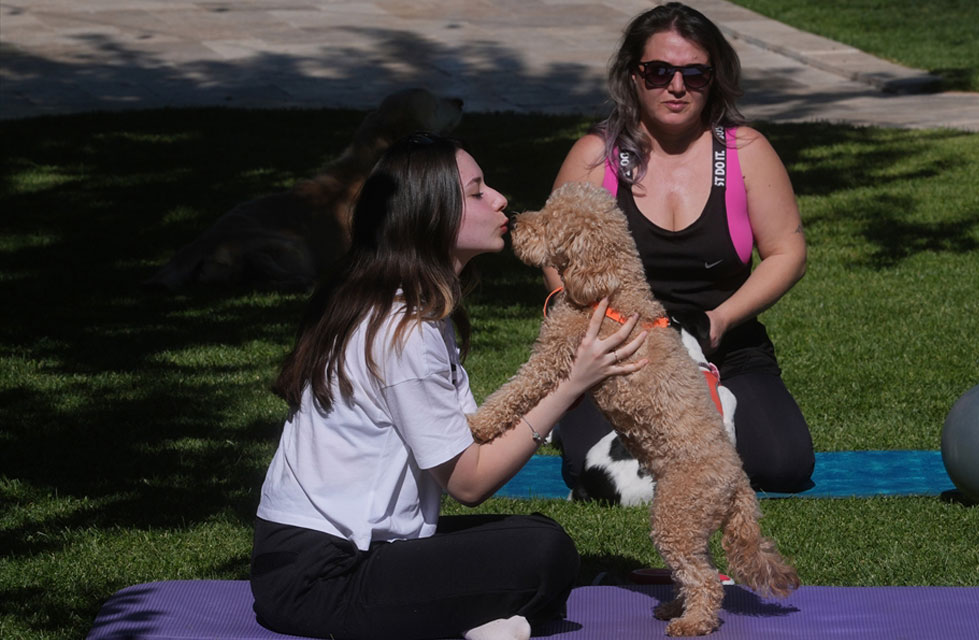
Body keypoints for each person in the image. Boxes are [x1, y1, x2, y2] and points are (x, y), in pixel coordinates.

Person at [251, 133, 648, 640]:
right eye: (478, 192)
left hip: (329, 559)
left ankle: (486, 621)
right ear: (431, 215)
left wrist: (559, 374)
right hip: (322, 578)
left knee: (541, 536)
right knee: (543, 554)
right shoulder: (404, 331)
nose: (501, 199)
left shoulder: (404, 307)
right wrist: (572, 385)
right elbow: (469, 483)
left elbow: (472, 440)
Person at [549, 2, 815, 498]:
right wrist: (600, 333)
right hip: (617, 353)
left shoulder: (745, 153)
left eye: (695, 74)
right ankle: (570, 418)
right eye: (659, 72)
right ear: (634, 76)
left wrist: (721, 318)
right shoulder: (595, 157)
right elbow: (554, 256)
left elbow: (787, 252)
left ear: (714, 79)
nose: (677, 87)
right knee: (610, 478)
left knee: (783, 466)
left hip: (724, 346)